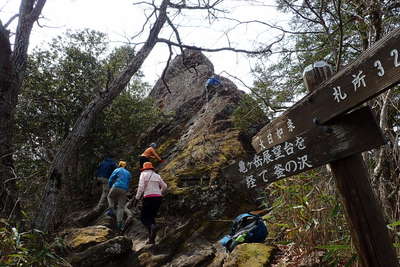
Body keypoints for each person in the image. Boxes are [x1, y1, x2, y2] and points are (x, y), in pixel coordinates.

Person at [135, 162, 167, 244]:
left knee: (143, 218)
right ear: (152, 168)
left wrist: (137, 198)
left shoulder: (143, 174)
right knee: (151, 217)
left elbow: (141, 187)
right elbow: (165, 186)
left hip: (148, 198)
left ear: (144, 168)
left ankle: (152, 227)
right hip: (158, 198)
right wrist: (159, 192)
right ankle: (151, 239)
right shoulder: (157, 175)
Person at [107, 161, 132, 231]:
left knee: (110, 197)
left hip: (116, 186)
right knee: (121, 207)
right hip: (124, 189)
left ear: (119, 165)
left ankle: (111, 208)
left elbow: (111, 179)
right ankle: (119, 224)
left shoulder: (117, 170)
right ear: (125, 166)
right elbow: (129, 181)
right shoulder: (128, 173)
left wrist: (110, 186)